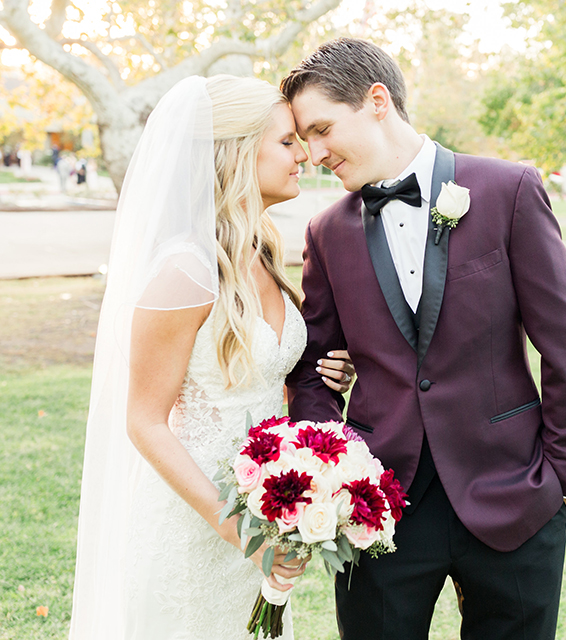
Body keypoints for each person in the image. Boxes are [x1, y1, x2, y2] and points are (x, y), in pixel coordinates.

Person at [282, 38, 566, 639]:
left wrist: (562, 476)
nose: (316, 153)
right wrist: (327, 474)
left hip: (514, 490)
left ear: (377, 101)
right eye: (305, 139)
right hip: (379, 506)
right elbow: (311, 366)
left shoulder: (508, 190)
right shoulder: (327, 232)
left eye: (323, 129)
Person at [69, 75, 355, 639]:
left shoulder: (258, 251)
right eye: (287, 142)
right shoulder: (187, 268)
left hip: (264, 505)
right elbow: (145, 421)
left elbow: (260, 378)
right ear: (236, 153)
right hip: (195, 520)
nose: (305, 155)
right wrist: (241, 534)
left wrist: (323, 379)